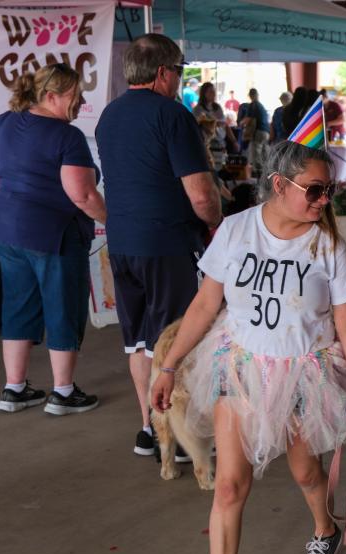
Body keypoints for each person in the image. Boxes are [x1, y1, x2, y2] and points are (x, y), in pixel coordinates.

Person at [151, 140, 346, 554]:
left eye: (330, 190)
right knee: (231, 485)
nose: (326, 200)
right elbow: (205, 304)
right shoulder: (235, 231)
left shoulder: (327, 245)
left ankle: (325, 528)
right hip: (240, 368)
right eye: (316, 190)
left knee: (304, 470)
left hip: (303, 371)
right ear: (280, 185)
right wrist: (168, 366)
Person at [95, 34, 222, 458]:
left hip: (122, 242)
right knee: (177, 339)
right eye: (179, 71)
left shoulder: (108, 115)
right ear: (164, 72)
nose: (179, 79)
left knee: (139, 342)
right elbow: (201, 194)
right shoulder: (173, 115)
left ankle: (149, 429)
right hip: (167, 241)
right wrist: (217, 225)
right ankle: (181, 436)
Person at [0, 63, 106, 415]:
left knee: (18, 304)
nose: (81, 101)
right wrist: (112, 220)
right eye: (76, 95)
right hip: (52, 234)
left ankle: (14, 388)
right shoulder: (66, 136)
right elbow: (82, 195)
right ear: (51, 96)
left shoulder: (7, 122)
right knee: (63, 306)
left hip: (5, 230)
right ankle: (63, 392)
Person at [193, 82, 238, 169]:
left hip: (220, 145)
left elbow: (225, 126)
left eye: (214, 91)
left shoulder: (217, 108)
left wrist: (234, 141)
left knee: (221, 169)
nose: (214, 94)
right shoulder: (198, 110)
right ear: (204, 93)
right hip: (207, 147)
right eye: (210, 92)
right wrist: (212, 123)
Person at [241, 88, 270, 175]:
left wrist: (241, 123)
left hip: (258, 131)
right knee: (264, 153)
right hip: (266, 131)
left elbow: (249, 119)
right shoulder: (261, 106)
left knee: (256, 153)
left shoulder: (253, 105)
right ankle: (266, 173)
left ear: (250, 95)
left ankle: (257, 174)